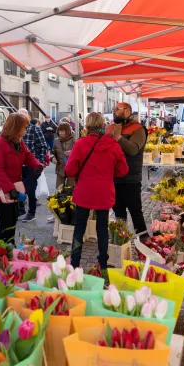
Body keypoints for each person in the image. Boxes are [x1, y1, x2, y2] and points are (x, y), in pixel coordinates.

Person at [65, 112, 128, 269]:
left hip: (84, 192)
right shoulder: (113, 144)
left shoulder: (80, 143)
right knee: (102, 229)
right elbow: (123, 170)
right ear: (102, 125)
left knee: (79, 229)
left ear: (87, 125)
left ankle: (74, 264)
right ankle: (103, 265)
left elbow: (70, 170)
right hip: (104, 192)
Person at [0, 113, 42, 243]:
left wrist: (37, 165)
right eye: (24, 127)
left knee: (13, 219)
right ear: (16, 127)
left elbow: (28, 155)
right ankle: (3, 249)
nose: (26, 129)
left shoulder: (18, 141)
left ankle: (10, 246)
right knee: (6, 221)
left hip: (14, 186)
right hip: (1, 189)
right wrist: (11, 190)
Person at [106, 103, 148, 234]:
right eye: (114, 109)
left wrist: (118, 138)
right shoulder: (111, 128)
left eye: (117, 110)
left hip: (131, 178)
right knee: (118, 212)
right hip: (114, 177)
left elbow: (133, 149)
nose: (114, 112)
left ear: (127, 111)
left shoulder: (138, 129)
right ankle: (121, 239)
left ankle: (143, 240)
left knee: (135, 212)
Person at [17, 109, 47, 222]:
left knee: (29, 188)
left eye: (23, 116)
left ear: (28, 118)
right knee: (21, 187)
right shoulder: (15, 130)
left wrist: (40, 163)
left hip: (31, 165)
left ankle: (31, 212)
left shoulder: (35, 129)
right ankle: (21, 210)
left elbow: (43, 146)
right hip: (18, 166)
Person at [51, 122, 75, 188]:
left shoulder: (75, 139)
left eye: (63, 131)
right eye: (59, 131)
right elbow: (52, 152)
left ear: (67, 131)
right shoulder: (56, 141)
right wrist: (52, 158)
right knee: (59, 189)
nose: (61, 133)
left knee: (71, 189)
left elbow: (81, 153)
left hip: (72, 169)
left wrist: (72, 152)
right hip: (60, 169)